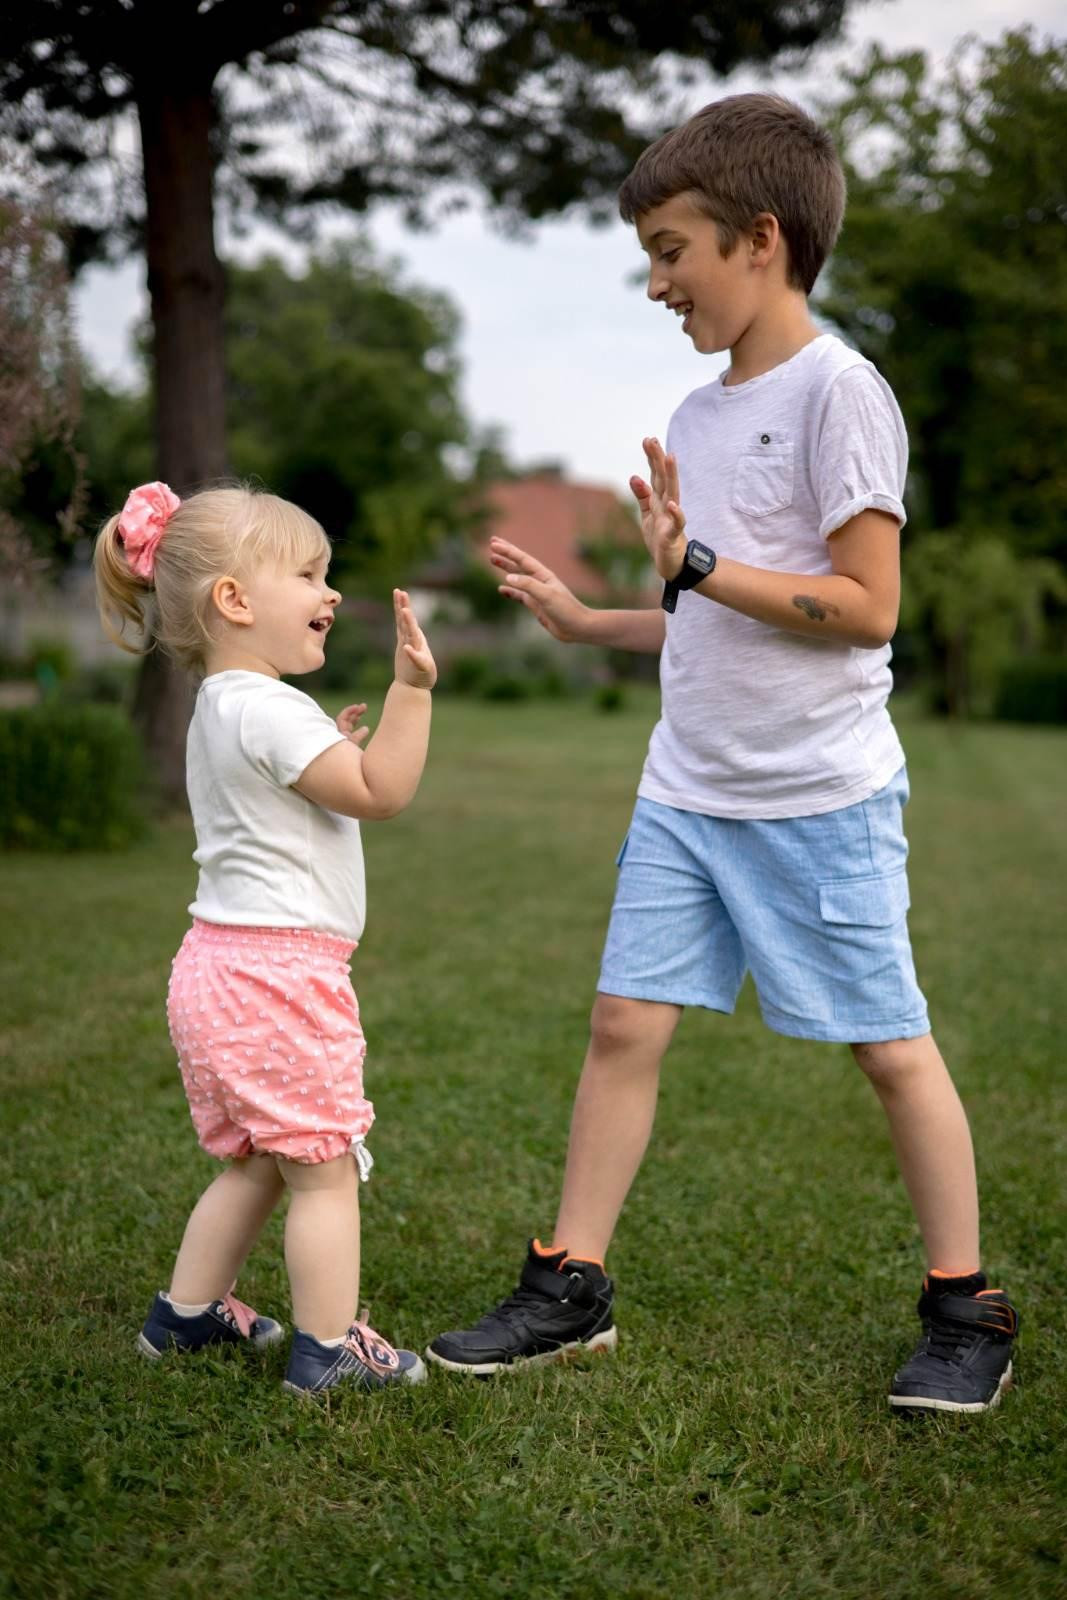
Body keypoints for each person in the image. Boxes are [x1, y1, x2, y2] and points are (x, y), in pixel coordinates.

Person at [427, 93, 1019, 1414]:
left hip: (817, 798)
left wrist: (695, 562)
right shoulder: (693, 416)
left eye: (669, 249)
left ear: (759, 239)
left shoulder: (838, 394)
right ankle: (570, 1281)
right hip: (686, 790)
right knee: (622, 1021)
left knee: (886, 1045)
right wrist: (598, 617)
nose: (653, 283)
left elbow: (864, 607)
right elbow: (714, 615)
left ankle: (961, 1309)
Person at [94, 480, 436, 1395]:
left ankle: (188, 1317)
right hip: (280, 977)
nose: (330, 594)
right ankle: (328, 1350)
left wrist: (328, 739)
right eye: (309, 574)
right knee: (323, 1172)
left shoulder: (222, 703)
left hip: (213, 967)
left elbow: (290, 795)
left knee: (253, 1160)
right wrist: (412, 693)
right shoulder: (268, 706)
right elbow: (382, 792)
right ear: (235, 601)